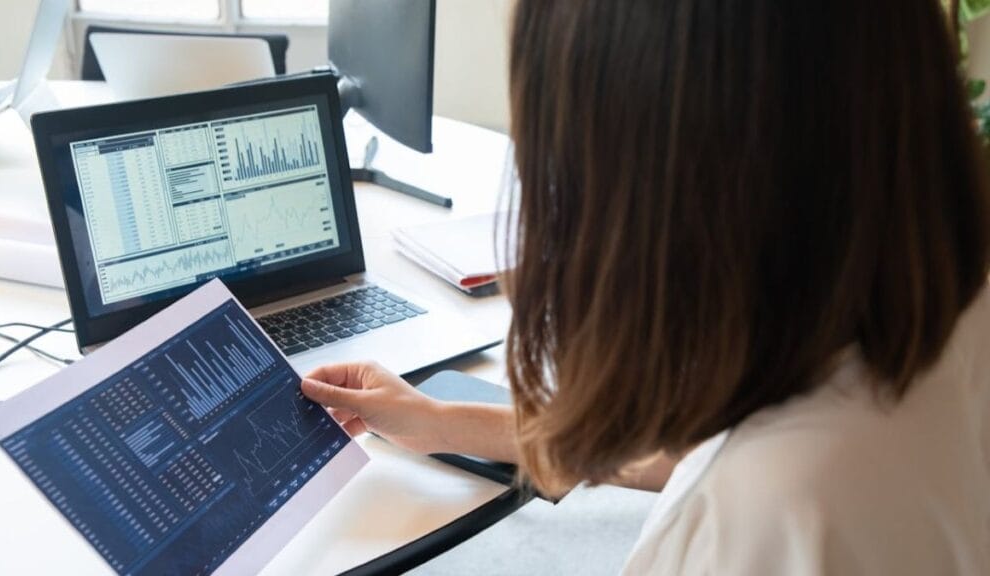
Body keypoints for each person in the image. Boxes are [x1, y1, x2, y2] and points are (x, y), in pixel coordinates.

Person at [301, 0, 990, 572]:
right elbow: (694, 449)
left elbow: (727, 474)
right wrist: (445, 424)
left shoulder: (757, 522)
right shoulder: (943, 312)